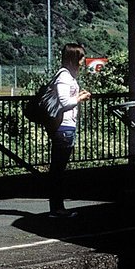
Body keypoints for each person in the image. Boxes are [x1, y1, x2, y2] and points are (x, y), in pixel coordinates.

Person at [49, 42, 91, 218]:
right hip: (64, 127)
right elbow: (65, 102)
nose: (83, 61)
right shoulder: (64, 76)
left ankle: (57, 208)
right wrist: (80, 98)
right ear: (74, 58)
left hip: (66, 127)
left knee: (58, 170)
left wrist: (78, 96)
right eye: (81, 57)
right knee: (58, 170)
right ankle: (57, 208)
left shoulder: (67, 76)